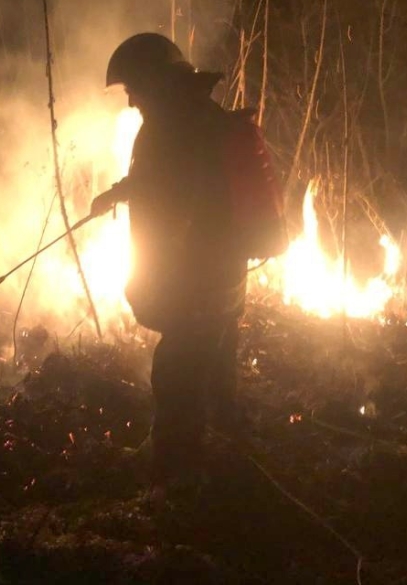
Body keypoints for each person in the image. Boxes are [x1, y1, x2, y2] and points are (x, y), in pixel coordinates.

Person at [91, 33, 273, 491]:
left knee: (176, 371)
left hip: (197, 275)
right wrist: (118, 192)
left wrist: (155, 279)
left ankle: (176, 474)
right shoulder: (199, 118)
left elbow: (174, 203)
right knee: (215, 366)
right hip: (225, 271)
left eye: (133, 89)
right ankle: (230, 449)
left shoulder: (169, 129)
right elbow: (165, 182)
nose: (131, 101)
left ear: (154, 83)